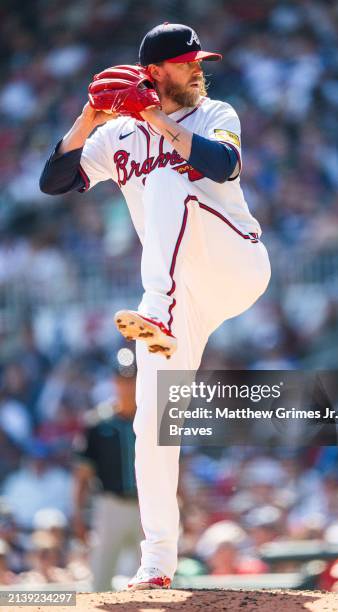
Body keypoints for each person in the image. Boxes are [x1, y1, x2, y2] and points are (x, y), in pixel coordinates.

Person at [39, 23, 271, 589]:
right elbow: (54, 180)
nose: (198, 68)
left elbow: (223, 166)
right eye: (187, 62)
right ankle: (158, 562)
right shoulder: (116, 134)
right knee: (151, 423)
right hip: (178, 295)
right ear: (155, 72)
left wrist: (155, 120)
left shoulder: (217, 112)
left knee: (171, 182)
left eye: (198, 60)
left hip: (233, 262)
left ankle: (157, 310)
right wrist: (89, 119)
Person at [72, 371, 143, 591]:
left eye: (131, 379)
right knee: (101, 577)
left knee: (156, 574)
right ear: (114, 382)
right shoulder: (97, 423)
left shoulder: (152, 416)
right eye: (122, 379)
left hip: (147, 506)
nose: (127, 385)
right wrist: (78, 516)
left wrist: (182, 506)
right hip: (111, 504)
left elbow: (172, 466)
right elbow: (83, 475)